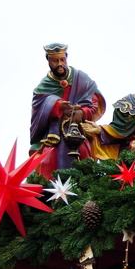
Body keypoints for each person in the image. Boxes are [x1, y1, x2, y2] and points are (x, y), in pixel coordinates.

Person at [31, 43, 106, 179]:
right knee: (46, 159)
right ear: (48, 61)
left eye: (62, 60)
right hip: (53, 134)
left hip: (77, 131)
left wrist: (81, 113)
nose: (60, 64)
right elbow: (38, 109)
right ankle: (50, 193)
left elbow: (94, 104)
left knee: (84, 156)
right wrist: (57, 105)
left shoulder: (82, 79)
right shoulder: (44, 86)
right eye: (55, 61)